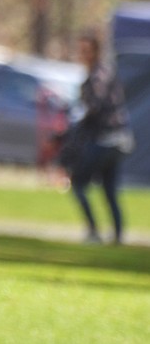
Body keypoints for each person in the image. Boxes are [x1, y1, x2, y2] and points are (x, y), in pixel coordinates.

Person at [68, 29, 134, 245]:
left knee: (77, 182)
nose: (83, 54)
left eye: (86, 50)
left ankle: (94, 232)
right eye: (81, 50)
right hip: (120, 139)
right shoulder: (103, 72)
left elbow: (94, 106)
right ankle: (118, 238)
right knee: (109, 189)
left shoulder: (98, 75)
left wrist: (74, 129)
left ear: (96, 51)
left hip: (107, 139)